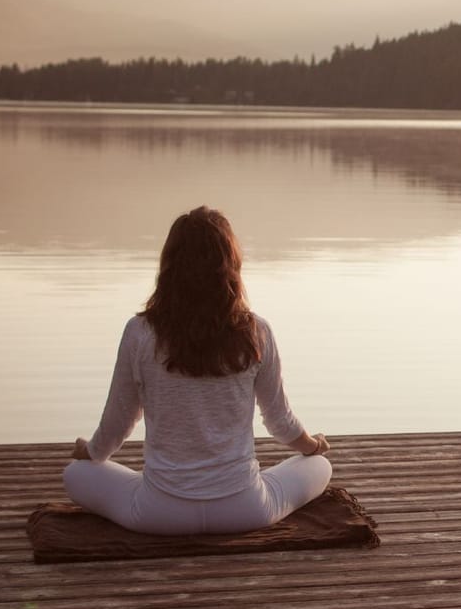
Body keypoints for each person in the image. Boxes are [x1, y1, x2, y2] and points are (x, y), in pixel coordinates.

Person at [64, 206, 333, 535]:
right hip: (246, 509)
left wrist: (90, 452)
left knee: (75, 474)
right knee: (319, 466)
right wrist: (313, 446)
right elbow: (280, 422)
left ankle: (156, 486)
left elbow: (119, 420)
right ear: (231, 266)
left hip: (160, 513)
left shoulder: (140, 331)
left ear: (169, 266)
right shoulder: (256, 331)